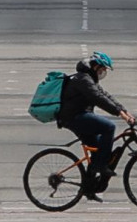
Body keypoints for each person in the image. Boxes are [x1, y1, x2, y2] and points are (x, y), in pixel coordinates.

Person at [55, 50, 130, 198]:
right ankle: (100, 166)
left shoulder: (89, 79)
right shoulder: (83, 79)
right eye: (103, 69)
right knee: (109, 127)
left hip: (80, 116)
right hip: (74, 118)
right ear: (96, 67)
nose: (103, 72)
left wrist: (124, 111)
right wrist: (119, 113)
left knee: (97, 151)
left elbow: (105, 95)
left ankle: (88, 189)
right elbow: (97, 98)